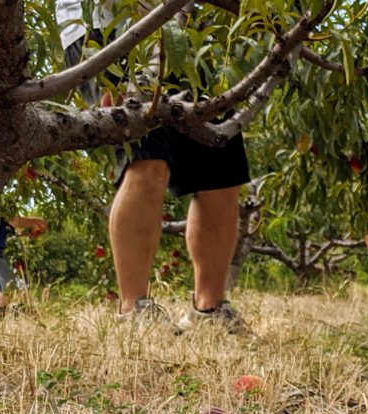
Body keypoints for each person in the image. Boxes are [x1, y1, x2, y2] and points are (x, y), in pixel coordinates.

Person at [68, 0, 251, 333]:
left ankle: (209, 309)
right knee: (147, 159)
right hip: (109, 26)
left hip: (184, 31)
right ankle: (134, 308)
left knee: (221, 171)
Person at [0, 215, 46, 316]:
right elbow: (15, 221)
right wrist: (37, 221)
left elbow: (6, 230)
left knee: (2, 294)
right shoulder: (3, 209)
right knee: (9, 292)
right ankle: (2, 316)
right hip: (1, 254)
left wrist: (25, 233)